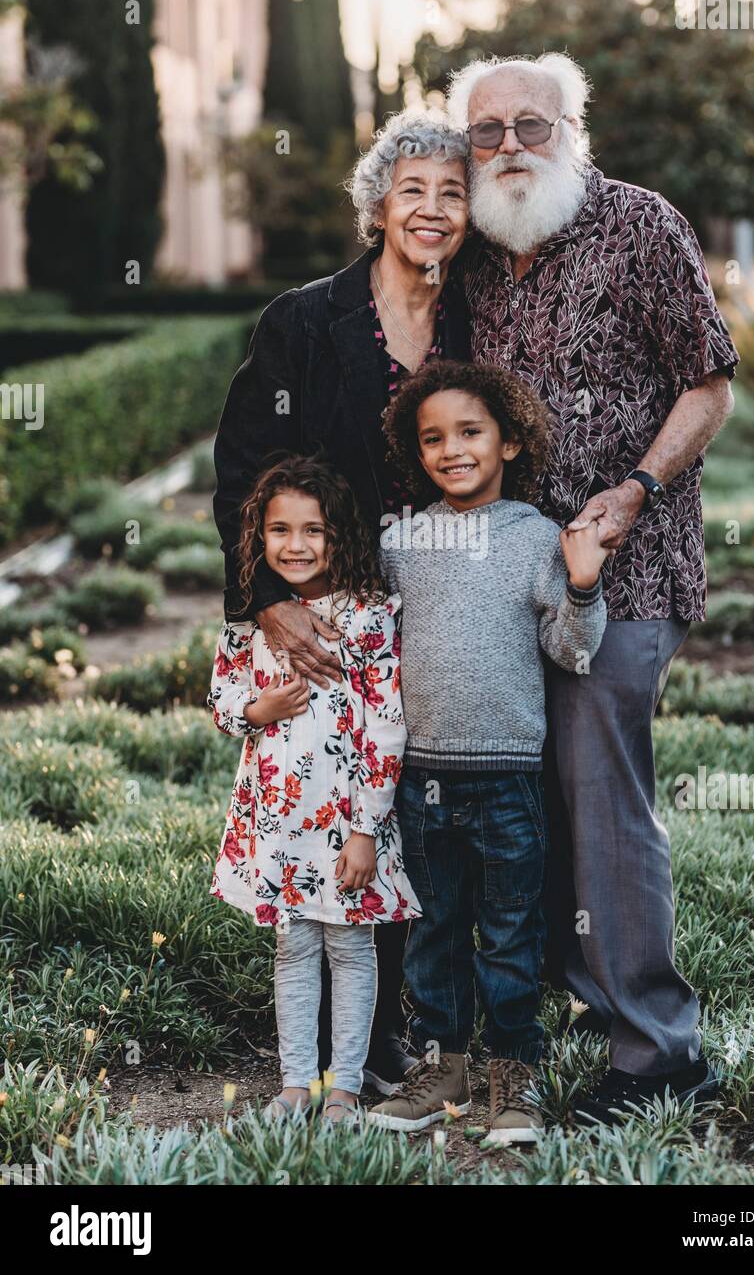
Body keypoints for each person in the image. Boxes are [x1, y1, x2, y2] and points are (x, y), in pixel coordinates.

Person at [447, 51, 739, 1126]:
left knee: (602, 795)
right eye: (488, 131)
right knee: (539, 801)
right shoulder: (474, 255)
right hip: (506, 578)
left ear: (574, 128)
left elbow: (709, 383)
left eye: (533, 123)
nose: (511, 146)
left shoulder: (641, 224)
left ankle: (660, 1051)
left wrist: (637, 486)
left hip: (628, 565)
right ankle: (592, 996)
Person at [212, 112, 471, 1094]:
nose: (432, 210)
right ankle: (337, 1047)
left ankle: (423, 1017)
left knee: (411, 793)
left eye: (453, 192)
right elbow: (243, 464)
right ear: (377, 204)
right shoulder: (303, 322)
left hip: (446, 599)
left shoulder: (479, 322)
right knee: (332, 801)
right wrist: (268, 600)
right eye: (413, 190)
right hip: (327, 609)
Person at [367, 360, 609, 1143]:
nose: (451, 450)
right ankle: (444, 1069)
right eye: (432, 438)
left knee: (510, 935)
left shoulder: (537, 537)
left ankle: (514, 1077)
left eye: (469, 433)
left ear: (508, 441)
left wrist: (581, 585)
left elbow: (573, 652)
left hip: (507, 777)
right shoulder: (399, 543)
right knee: (432, 933)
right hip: (419, 777)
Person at [207, 455, 421, 1125]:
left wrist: (365, 829)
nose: (295, 546)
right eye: (279, 530)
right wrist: (254, 711)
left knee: (352, 951)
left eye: (313, 531)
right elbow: (220, 695)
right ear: (259, 536)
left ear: (340, 536)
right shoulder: (253, 620)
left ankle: (346, 1088)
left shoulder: (366, 616)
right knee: (294, 950)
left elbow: (386, 726)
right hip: (276, 821)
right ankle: (296, 1083)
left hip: (346, 826)